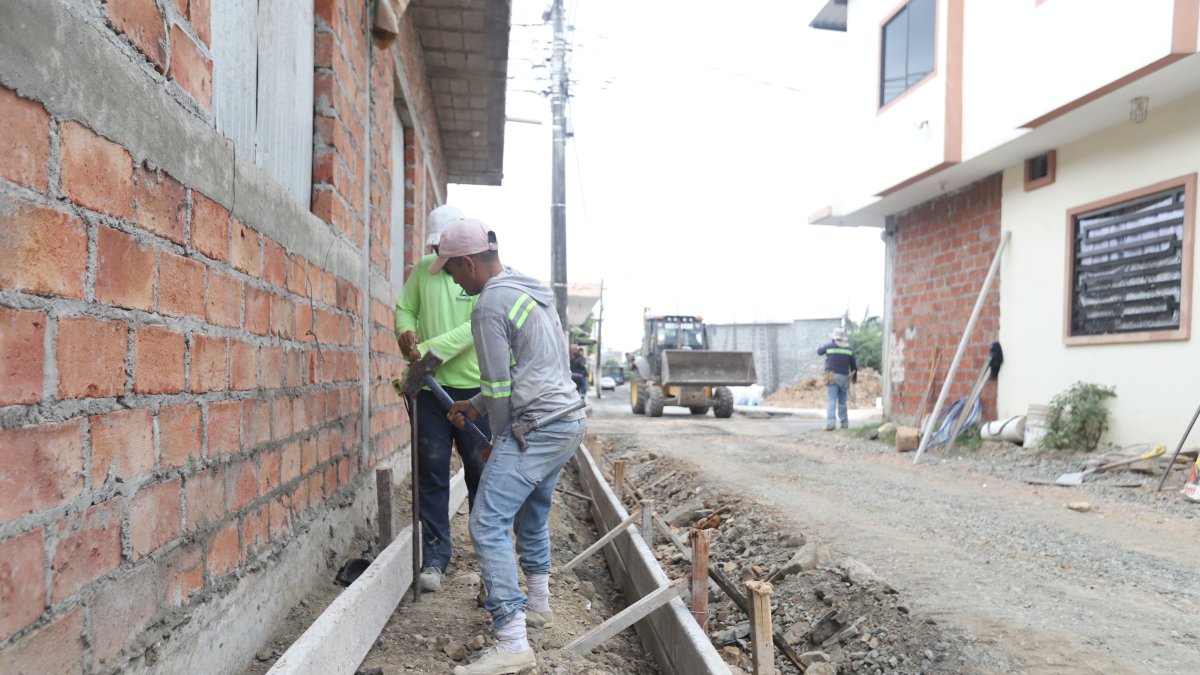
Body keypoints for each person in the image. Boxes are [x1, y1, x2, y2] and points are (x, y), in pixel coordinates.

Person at [438, 219, 587, 675]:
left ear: (468, 262)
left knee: (486, 522)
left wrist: (496, 440)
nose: (453, 281)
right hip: (567, 420)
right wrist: (477, 407)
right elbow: (536, 368)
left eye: (452, 272)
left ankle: (512, 640)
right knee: (533, 512)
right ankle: (539, 606)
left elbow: (501, 384)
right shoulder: (529, 290)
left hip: (535, 426)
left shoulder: (489, 305)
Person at [394, 205, 490, 593]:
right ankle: (435, 559)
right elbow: (406, 308)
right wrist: (405, 333)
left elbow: (474, 328)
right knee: (431, 471)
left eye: (446, 253)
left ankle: (488, 562)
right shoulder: (424, 270)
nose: (440, 259)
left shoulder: (478, 276)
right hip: (430, 391)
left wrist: (430, 348)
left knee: (480, 474)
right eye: (436, 249)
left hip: (473, 391)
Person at [817, 327, 858, 431]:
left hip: (832, 376)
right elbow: (853, 366)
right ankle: (844, 423)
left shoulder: (829, 346)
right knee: (842, 402)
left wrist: (829, 345)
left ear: (834, 338)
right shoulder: (849, 349)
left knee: (831, 400)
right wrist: (854, 377)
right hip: (844, 377)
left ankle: (831, 423)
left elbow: (819, 352)